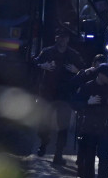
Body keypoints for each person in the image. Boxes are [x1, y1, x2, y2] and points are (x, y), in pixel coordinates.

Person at [33, 28, 86, 165]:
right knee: (42, 123)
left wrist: (77, 71)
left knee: (63, 126)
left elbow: (85, 71)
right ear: (56, 38)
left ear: (68, 39)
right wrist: (42, 65)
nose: (62, 40)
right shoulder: (47, 52)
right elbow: (33, 63)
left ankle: (58, 154)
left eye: (65, 37)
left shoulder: (73, 55)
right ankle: (44, 142)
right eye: (60, 37)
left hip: (65, 94)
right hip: (47, 93)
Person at [73, 63, 108, 178]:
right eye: (107, 76)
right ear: (100, 75)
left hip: (104, 127)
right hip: (89, 127)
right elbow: (74, 103)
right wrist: (88, 102)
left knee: (104, 159)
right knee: (89, 158)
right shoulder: (87, 87)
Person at [70, 54, 108, 178]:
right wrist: (85, 73)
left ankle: (103, 173)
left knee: (102, 147)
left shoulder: (107, 78)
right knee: (83, 143)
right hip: (86, 113)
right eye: (97, 65)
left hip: (101, 115)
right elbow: (74, 84)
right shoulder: (87, 75)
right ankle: (81, 170)